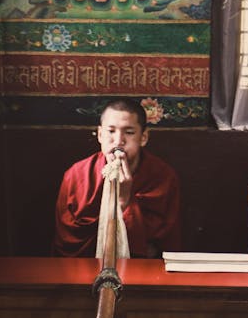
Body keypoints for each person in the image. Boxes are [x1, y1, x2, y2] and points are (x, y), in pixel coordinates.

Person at [53, 97, 181, 258]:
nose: (118, 141)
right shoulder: (76, 175)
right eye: (111, 131)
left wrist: (125, 201)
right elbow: (67, 241)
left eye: (129, 132)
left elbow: (163, 244)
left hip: (142, 272)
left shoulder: (163, 177)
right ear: (100, 135)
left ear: (143, 137)